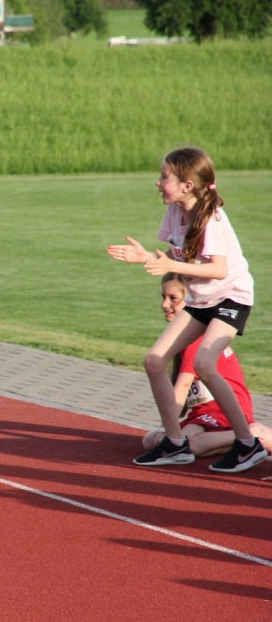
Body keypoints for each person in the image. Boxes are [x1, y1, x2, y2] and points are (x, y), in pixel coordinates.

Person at [107, 147, 265, 473]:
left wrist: (170, 265)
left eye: (165, 177)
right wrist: (147, 258)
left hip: (231, 298)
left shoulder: (212, 219)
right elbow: (176, 255)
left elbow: (218, 270)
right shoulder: (174, 212)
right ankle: (175, 443)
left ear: (186, 185)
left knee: (205, 363)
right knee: (154, 360)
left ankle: (248, 443)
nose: (158, 182)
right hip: (200, 300)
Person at [137, 273, 272, 463]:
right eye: (163, 297)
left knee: (189, 445)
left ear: (190, 301)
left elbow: (183, 386)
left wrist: (169, 430)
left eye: (173, 298)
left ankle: (256, 433)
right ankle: (233, 441)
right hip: (203, 411)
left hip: (222, 409)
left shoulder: (196, 337)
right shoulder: (184, 337)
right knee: (150, 440)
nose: (165, 304)